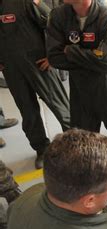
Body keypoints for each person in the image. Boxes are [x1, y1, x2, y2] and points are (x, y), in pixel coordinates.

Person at [47, 0, 107, 153]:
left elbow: (106, 62)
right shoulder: (59, 16)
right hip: (79, 87)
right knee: (82, 143)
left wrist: (71, 51)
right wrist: (92, 59)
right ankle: (91, 175)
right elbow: (54, 57)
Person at [0, 0, 71, 169]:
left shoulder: (26, 2)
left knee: (61, 109)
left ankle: (76, 146)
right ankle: (41, 149)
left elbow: (54, 24)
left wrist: (53, 56)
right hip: (11, 68)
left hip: (38, 64)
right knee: (28, 112)